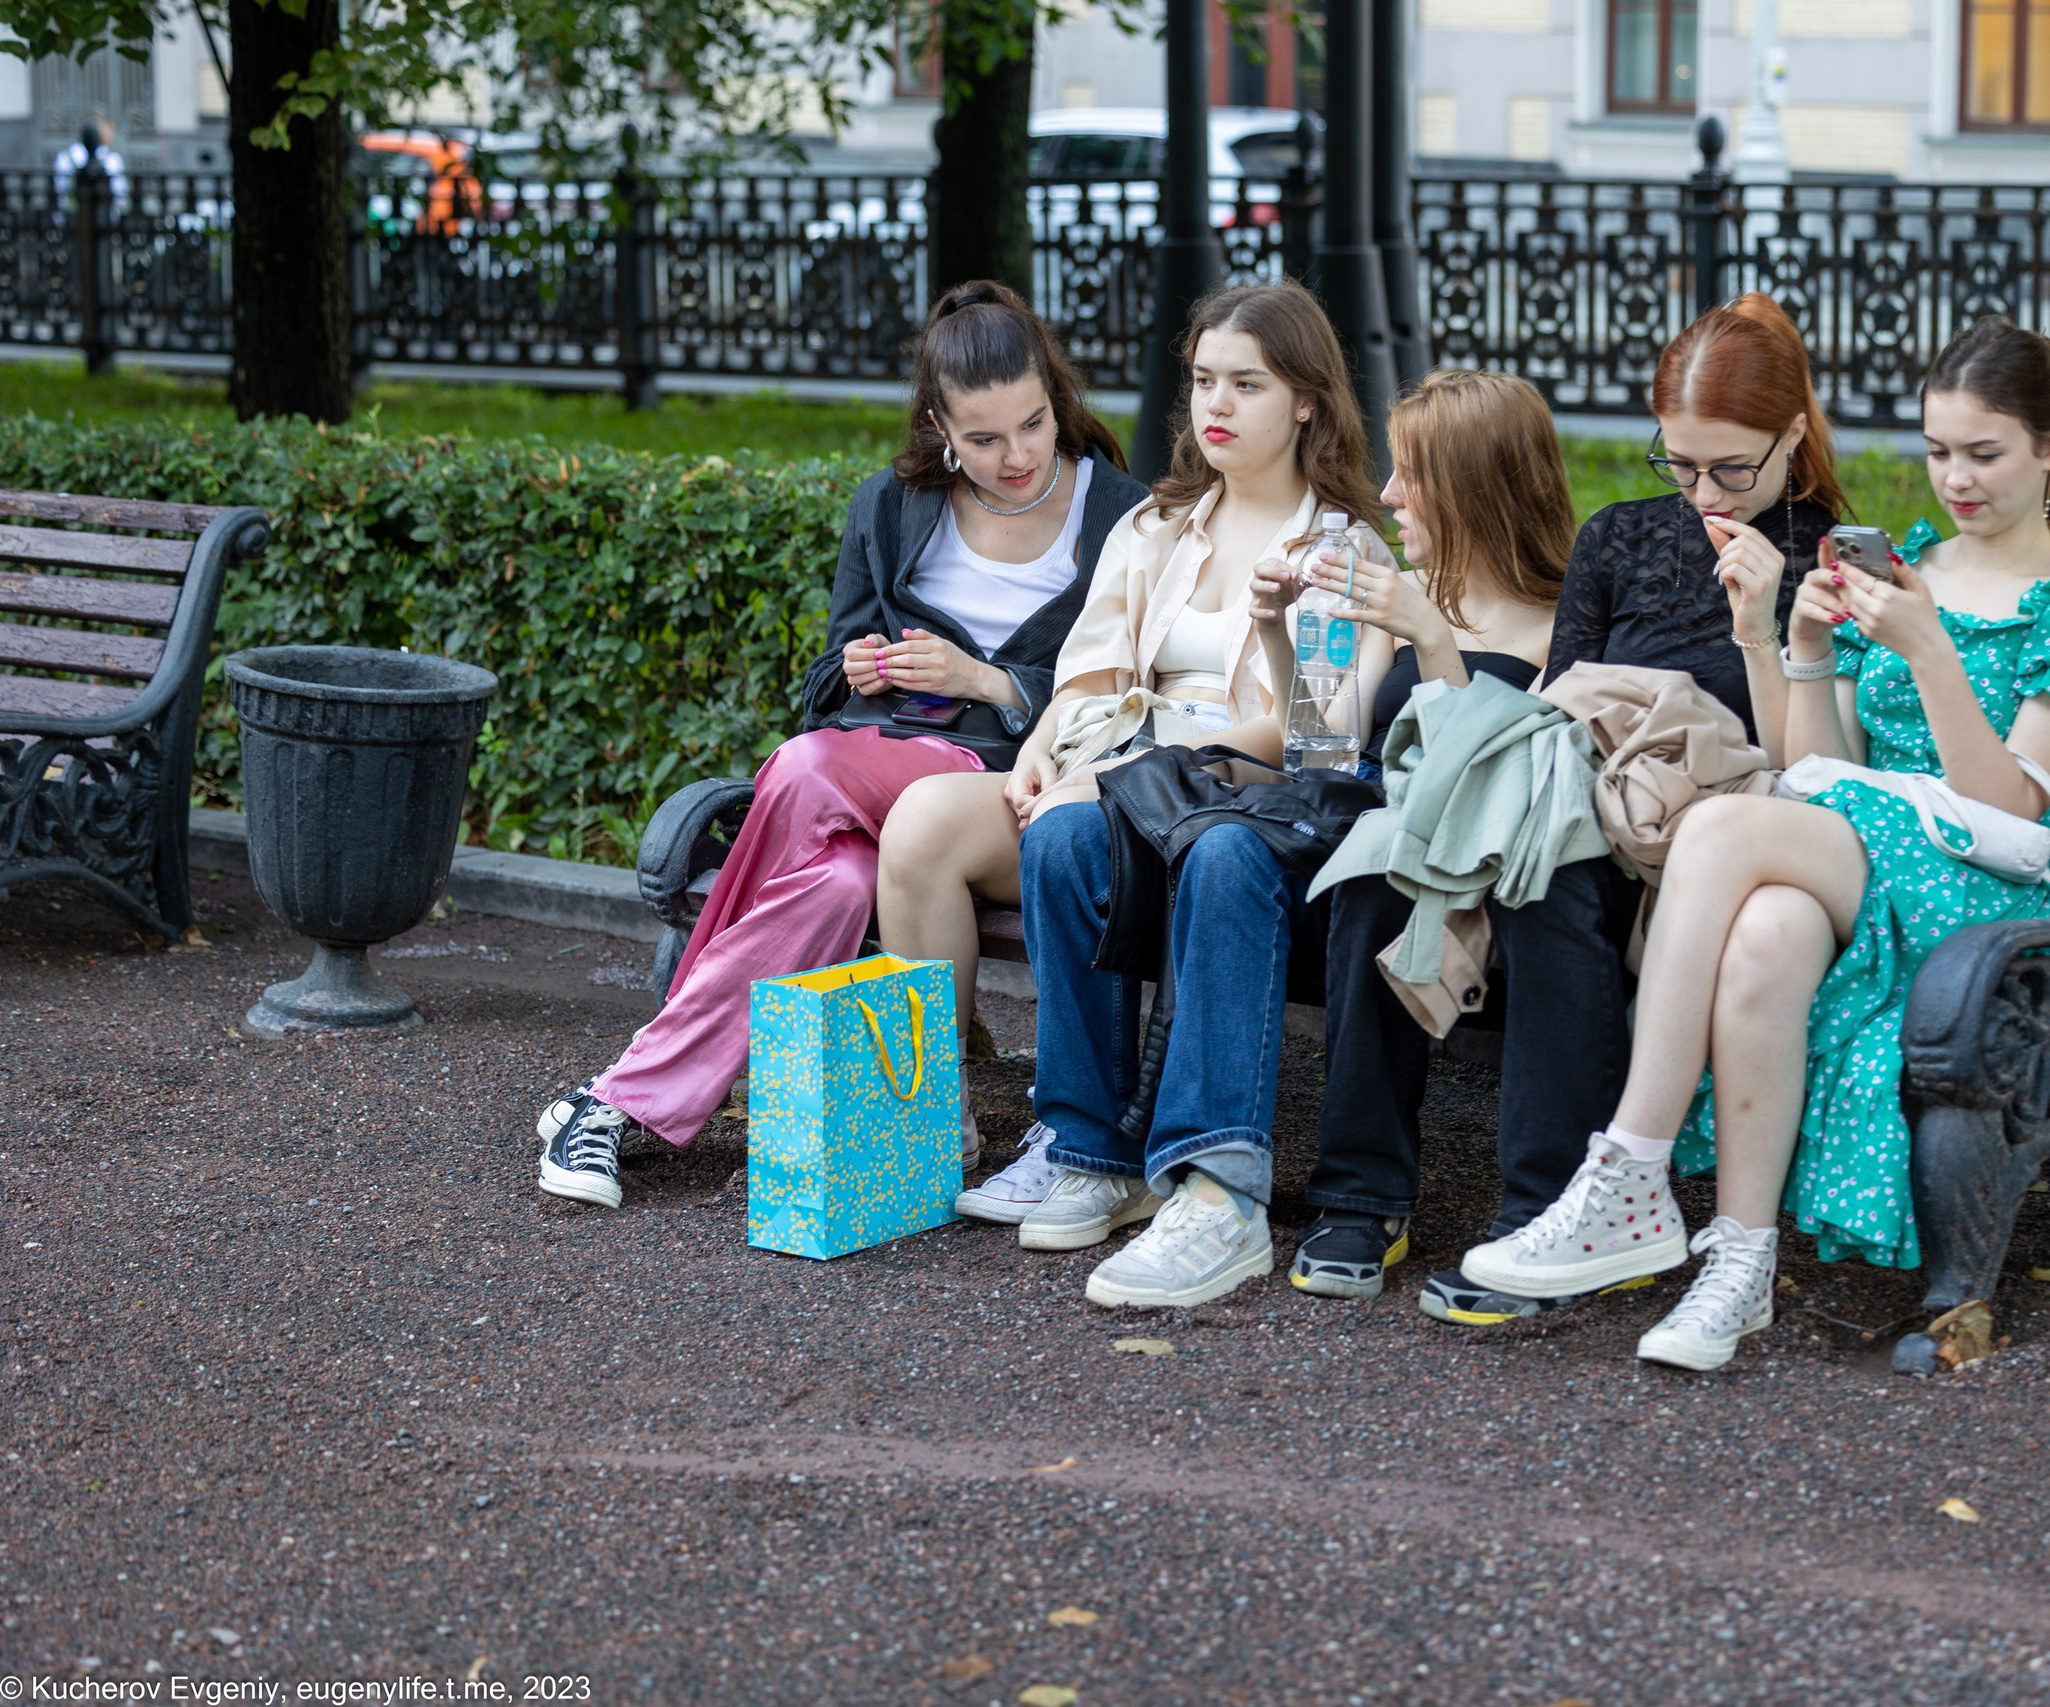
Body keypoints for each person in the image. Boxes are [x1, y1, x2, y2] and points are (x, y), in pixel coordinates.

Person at [1457, 316, 2050, 1373]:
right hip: (1865, 853)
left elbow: (2011, 809)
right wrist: (1786, 640)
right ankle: (1737, 1268)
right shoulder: (1906, 564)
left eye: (1983, 452)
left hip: (1975, 894)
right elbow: (1812, 767)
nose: (1953, 479)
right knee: (1769, 932)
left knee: (1725, 823)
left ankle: (1630, 1165)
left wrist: (1927, 654)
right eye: (1935, 450)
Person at [534, 281, 1148, 1209]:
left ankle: (627, 1080)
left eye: (1032, 424)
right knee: (836, 882)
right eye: (982, 439)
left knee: (804, 764)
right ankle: (626, 1102)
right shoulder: (892, 507)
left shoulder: (1122, 516)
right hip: (881, 776)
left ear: (1055, 397)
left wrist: (986, 682)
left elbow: (1128, 692)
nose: (1015, 455)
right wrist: (861, 667)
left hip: (1012, 787)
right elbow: (825, 686)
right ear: (939, 423)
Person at [1326, 293, 1846, 1324]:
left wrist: (1758, 626)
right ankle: (1402, 1201)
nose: (1704, 493)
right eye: (1680, 463)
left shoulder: (1827, 558)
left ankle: (1549, 1210)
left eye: (1732, 468)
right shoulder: (1618, 541)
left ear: (1793, 434)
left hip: (1719, 833)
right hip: (1590, 802)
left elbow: (1815, 775)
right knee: (1412, 857)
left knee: (1547, 873)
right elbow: (1553, 713)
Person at [1014, 368, 1566, 1308]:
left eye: (1412, 476)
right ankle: (1148, 1174)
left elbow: (1491, 780)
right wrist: (1275, 635)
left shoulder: (1557, 623)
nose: (1387, 496)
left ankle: (1283, 1195)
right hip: (1333, 838)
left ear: (1478, 482)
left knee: (1285, 866)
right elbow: (1322, 739)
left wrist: (1432, 640)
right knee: (1144, 842)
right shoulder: (1404, 586)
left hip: (1431, 872)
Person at [885, 279, 1388, 1231]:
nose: (1217, 407)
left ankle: (1093, 1141)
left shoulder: (1340, 548)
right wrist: (1039, 750)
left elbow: (1314, 730)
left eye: (1248, 385)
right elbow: (1087, 673)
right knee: (928, 819)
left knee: (1077, 827)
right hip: (1110, 764)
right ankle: (1001, 1140)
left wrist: (1117, 779)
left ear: (1308, 400)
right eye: (1204, 381)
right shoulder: (1157, 525)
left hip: (1238, 803)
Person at [51, 115, 128, 212]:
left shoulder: (64, 156)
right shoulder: (112, 160)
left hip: (70, 216)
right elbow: (120, 194)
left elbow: (60, 191)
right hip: (103, 218)